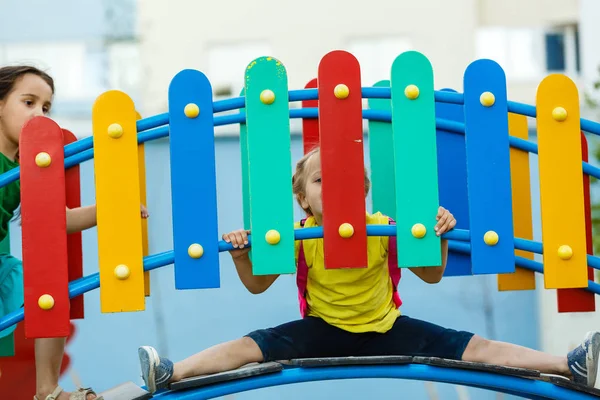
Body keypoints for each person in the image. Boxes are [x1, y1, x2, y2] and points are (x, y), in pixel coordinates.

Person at [138, 147, 599, 393]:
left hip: (387, 327)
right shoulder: (297, 236)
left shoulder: (381, 227)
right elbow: (258, 286)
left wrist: (435, 235)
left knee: (474, 346)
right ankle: (172, 373)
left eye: (348, 182)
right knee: (250, 345)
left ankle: (568, 364)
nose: (334, 187)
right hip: (320, 329)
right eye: (320, 181)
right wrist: (242, 254)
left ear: (362, 192)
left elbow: (432, 275)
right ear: (303, 198)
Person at [0, 65, 149, 400]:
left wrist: (110, 209)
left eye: (46, 107)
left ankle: (47, 390)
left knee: (49, 293)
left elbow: (57, 219)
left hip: (0, 264)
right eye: (28, 102)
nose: (39, 113)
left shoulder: (28, 167)